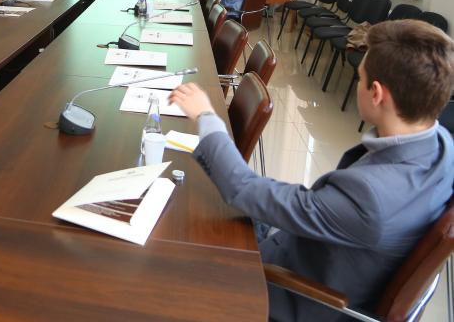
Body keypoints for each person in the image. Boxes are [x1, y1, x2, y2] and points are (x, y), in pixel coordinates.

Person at [168, 19, 454, 321]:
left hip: (292, 291)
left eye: (359, 78)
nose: (356, 84)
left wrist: (206, 115)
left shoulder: (371, 198)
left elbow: (242, 188)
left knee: (172, 259)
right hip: (320, 246)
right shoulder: (442, 144)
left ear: (377, 93)